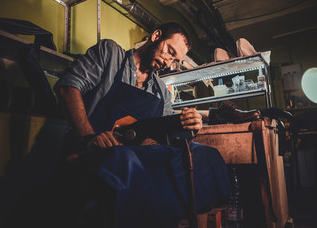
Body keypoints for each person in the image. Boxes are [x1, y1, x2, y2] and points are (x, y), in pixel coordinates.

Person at [52, 22, 245, 228]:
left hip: (134, 157)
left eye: (175, 59)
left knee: (204, 155)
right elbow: (68, 87)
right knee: (126, 160)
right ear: (156, 36)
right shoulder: (110, 54)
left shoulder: (161, 90)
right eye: (169, 51)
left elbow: (163, 130)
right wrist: (89, 137)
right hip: (90, 152)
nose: (169, 62)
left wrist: (187, 123)